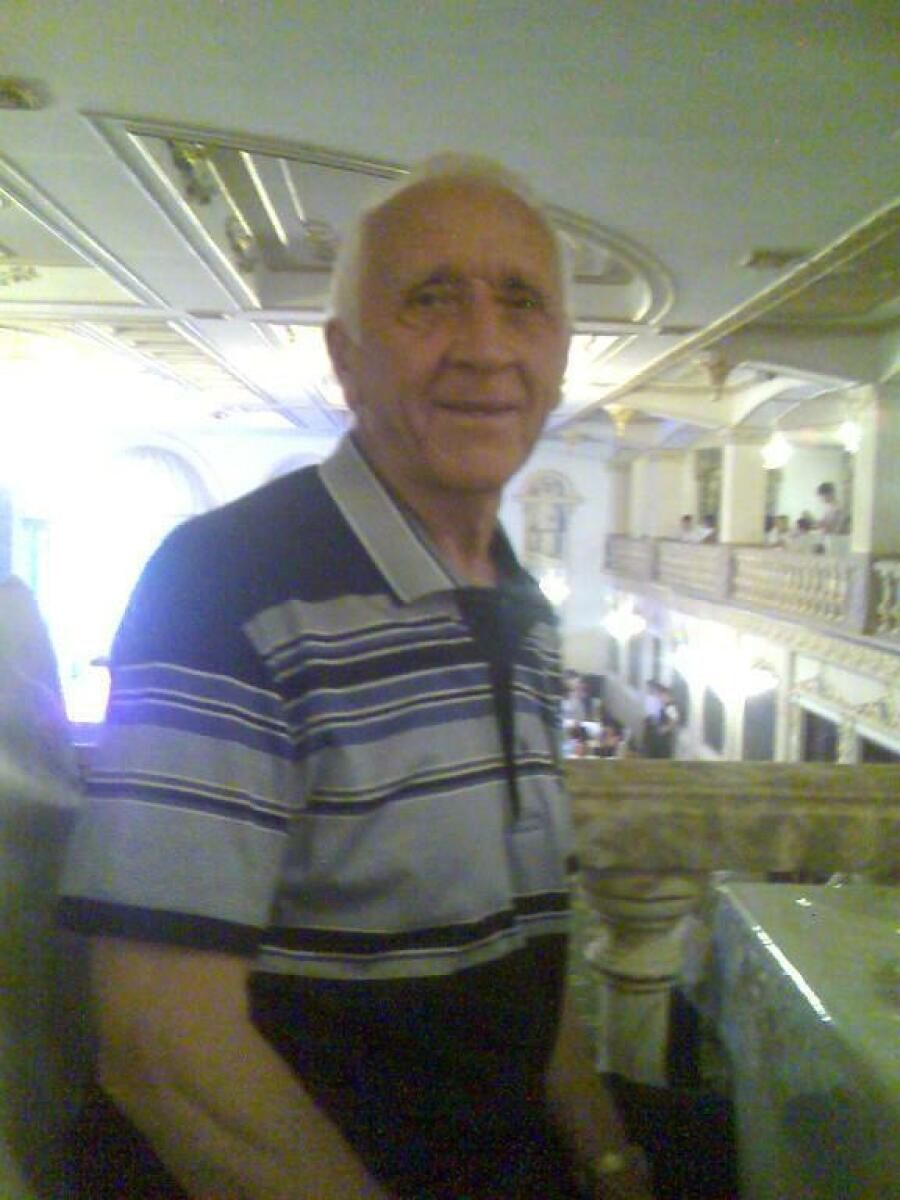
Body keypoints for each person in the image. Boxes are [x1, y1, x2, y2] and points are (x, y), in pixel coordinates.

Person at [57, 156, 653, 1199]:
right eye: (432, 299)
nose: (486, 346)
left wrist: (607, 1152)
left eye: (522, 302)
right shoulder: (224, 583)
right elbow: (162, 1051)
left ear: (560, 352)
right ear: (347, 357)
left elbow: (525, 943)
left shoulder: (518, 602)